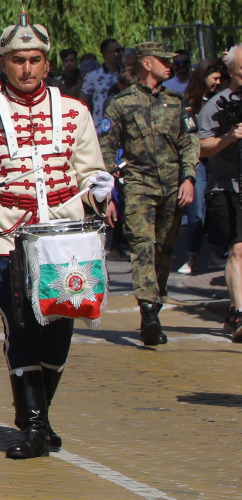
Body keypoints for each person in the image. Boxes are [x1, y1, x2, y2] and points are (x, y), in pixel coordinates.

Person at [0, 20, 115, 459]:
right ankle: (36, 424)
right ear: (4, 63)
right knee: (21, 324)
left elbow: (89, 170)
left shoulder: (75, 111)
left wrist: (99, 186)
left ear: (46, 62)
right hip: (8, 237)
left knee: (59, 328)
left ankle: (36, 414)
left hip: (62, 238)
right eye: (18, 60)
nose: (26, 68)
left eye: (34, 60)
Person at [103, 42, 199, 346]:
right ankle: (149, 310)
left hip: (172, 186)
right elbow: (106, 145)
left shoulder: (177, 101)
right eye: (164, 61)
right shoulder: (121, 103)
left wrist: (190, 178)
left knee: (164, 250)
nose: (171, 66)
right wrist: (107, 188)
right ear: (147, 64)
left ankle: (153, 306)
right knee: (143, 246)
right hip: (138, 185)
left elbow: (189, 141)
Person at [197, 44, 242, 342]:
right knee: (239, 249)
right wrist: (229, 137)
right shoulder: (217, 105)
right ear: (231, 71)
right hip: (228, 187)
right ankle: (238, 313)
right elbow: (201, 147)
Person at [183, 58, 228, 273]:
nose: (218, 82)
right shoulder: (189, 101)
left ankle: (213, 253)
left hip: (218, 159)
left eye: (221, 78)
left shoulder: (223, 99)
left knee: (215, 208)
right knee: (197, 213)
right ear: (204, 76)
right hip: (197, 161)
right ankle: (191, 257)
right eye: (215, 78)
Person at [83, 39, 124, 132]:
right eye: (117, 51)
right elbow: (82, 103)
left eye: (122, 50)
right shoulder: (92, 76)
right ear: (106, 54)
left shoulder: (125, 75)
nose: (121, 53)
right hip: (100, 129)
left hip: (123, 127)